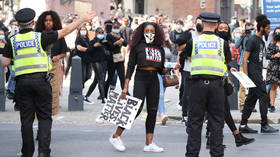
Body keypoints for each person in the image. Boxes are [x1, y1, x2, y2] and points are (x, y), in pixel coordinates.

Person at [1, 8, 95, 157]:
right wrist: (83, 19)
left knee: (26, 120)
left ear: (18, 24)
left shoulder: (13, 41)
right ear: (33, 22)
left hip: (22, 83)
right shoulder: (41, 37)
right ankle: (43, 152)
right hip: (41, 81)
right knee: (45, 117)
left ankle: (27, 152)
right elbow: (65, 31)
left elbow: (5, 62)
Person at [109, 22, 168, 153]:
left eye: (152, 31)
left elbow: (161, 70)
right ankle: (115, 136)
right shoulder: (137, 47)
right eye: (147, 30)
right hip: (141, 78)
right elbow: (130, 67)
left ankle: (149, 143)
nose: (150, 33)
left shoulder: (159, 48)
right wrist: (125, 87)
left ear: (156, 32)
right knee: (136, 109)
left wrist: (169, 69)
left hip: (154, 80)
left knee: (153, 111)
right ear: (142, 32)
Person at [185, 12, 229, 157]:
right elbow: (226, 61)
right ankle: (217, 154)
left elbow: (187, 57)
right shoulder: (223, 43)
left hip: (197, 85)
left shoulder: (194, 41)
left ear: (202, 24)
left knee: (195, 122)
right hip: (217, 86)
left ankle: (192, 154)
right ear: (216, 26)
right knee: (216, 122)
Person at [204, 21, 255, 149]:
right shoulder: (216, 43)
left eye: (225, 29)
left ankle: (233, 137)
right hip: (214, 80)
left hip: (220, 79)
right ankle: (232, 137)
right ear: (216, 29)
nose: (223, 30)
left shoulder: (225, 43)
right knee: (220, 110)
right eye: (220, 28)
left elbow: (222, 61)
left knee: (223, 109)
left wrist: (227, 69)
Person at [239, 14, 279, 134]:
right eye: (267, 28)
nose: (268, 30)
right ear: (261, 28)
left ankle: (242, 125)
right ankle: (264, 124)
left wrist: (264, 67)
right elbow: (245, 59)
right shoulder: (252, 40)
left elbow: (259, 59)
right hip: (253, 74)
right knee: (263, 97)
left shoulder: (261, 41)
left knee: (251, 100)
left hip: (258, 72)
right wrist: (246, 76)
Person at [35, 10, 68, 115]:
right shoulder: (38, 36)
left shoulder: (59, 35)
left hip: (54, 65)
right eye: (46, 20)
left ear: (54, 22)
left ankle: (52, 110)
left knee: (54, 90)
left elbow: (65, 52)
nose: (48, 22)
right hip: (40, 67)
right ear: (42, 22)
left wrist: (58, 57)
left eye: (50, 20)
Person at [84, 27, 111, 104]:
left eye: (102, 32)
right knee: (101, 79)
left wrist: (107, 43)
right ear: (96, 33)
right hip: (95, 62)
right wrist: (94, 46)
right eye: (99, 32)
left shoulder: (104, 42)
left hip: (103, 62)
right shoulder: (93, 41)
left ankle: (87, 96)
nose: (101, 34)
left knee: (96, 80)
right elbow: (88, 51)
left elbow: (111, 48)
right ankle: (103, 98)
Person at [104, 21, 127, 98]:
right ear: (112, 28)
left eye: (118, 27)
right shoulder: (109, 35)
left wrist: (120, 38)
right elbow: (109, 46)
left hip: (119, 56)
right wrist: (115, 43)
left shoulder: (120, 34)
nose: (116, 29)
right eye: (115, 27)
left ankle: (125, 93)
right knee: (110, 77)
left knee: (122, 76)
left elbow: (125, 43)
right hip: (111, 57)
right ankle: (104, 94)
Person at [235, 23, 255, 112]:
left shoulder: (255, 37)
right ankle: (242, 104)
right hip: (243, 63)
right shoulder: (243, 37)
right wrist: (242, 37)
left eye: (251, 29)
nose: (249, 31)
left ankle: (250, 105)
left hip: (252, 64)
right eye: (247, 29)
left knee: (252, 85)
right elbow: (236, 46)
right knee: (243, 85)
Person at [266, 27, 280, 113]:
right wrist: (275, 55)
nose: (278, 34)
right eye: (277, 33)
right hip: (273, 67)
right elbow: (267, 55)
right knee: (273, 87)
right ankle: (272, 105)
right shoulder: (272, 44)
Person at [75, 25, 92, 92]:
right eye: (82, 30)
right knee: (83, 75)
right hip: (81, 59)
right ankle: (80, 88)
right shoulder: (78, 39)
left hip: (88, 59)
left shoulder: (87, 39)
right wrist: (88, 49)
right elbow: (79, 47)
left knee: (89, 75)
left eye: (84, 30)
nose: (83, 31)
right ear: (79, 31)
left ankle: (81, 85)